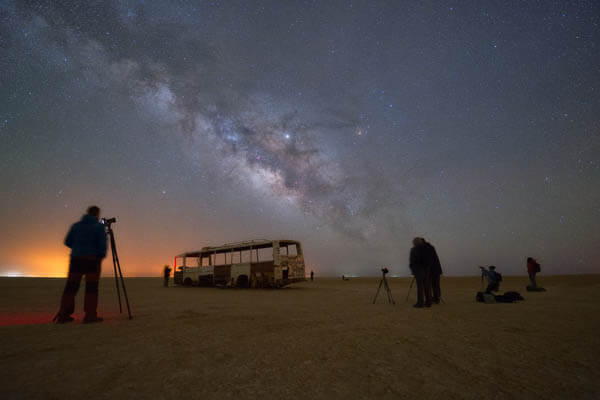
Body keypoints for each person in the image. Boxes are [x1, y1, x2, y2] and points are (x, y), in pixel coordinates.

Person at [53, 206, 107, 324]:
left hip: (76, 259)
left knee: (71, 287)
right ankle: (90, 315)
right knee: (91, 288)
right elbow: (102, 245)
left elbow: (67, 241)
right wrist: (100, 255)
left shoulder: (76, 226)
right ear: (97, 215)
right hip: (92, 260)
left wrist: (79, 248)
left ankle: (64, 314)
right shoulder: (99, 227)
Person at [409, 237, 431, 308]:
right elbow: (429, 260)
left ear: (415, 243)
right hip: (426, 270)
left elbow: (412, 261)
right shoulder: (426, 249)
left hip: (418, 270)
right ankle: (428, 302)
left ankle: (420, 303)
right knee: (426, 287)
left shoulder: (414, 250)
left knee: (420, 287)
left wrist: (413, 270)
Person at [423, 239, 443, 304]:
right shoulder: (430, 248)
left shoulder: (426, 249)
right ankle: (436, 298)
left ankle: (431, 299)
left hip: (431, 270)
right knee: (436, 285)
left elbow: (428, 261)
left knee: (429, 285)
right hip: (436, 270)